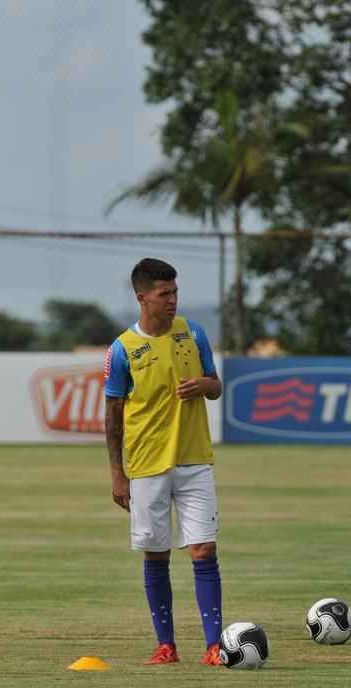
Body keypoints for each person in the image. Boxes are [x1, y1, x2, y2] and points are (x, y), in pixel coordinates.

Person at [104, 257, 224, 666]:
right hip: (146, 466)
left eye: (175, 292)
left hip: (194, 460)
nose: (173, 300)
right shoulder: (123, 348)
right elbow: (113, 413)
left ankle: (214, 646)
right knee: (156, 554)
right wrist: (117, 474)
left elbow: (216, 386)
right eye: (164, 294)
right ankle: (166, 645)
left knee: (203, 549)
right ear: (142, 298)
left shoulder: (193, 333)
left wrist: (206, 385)